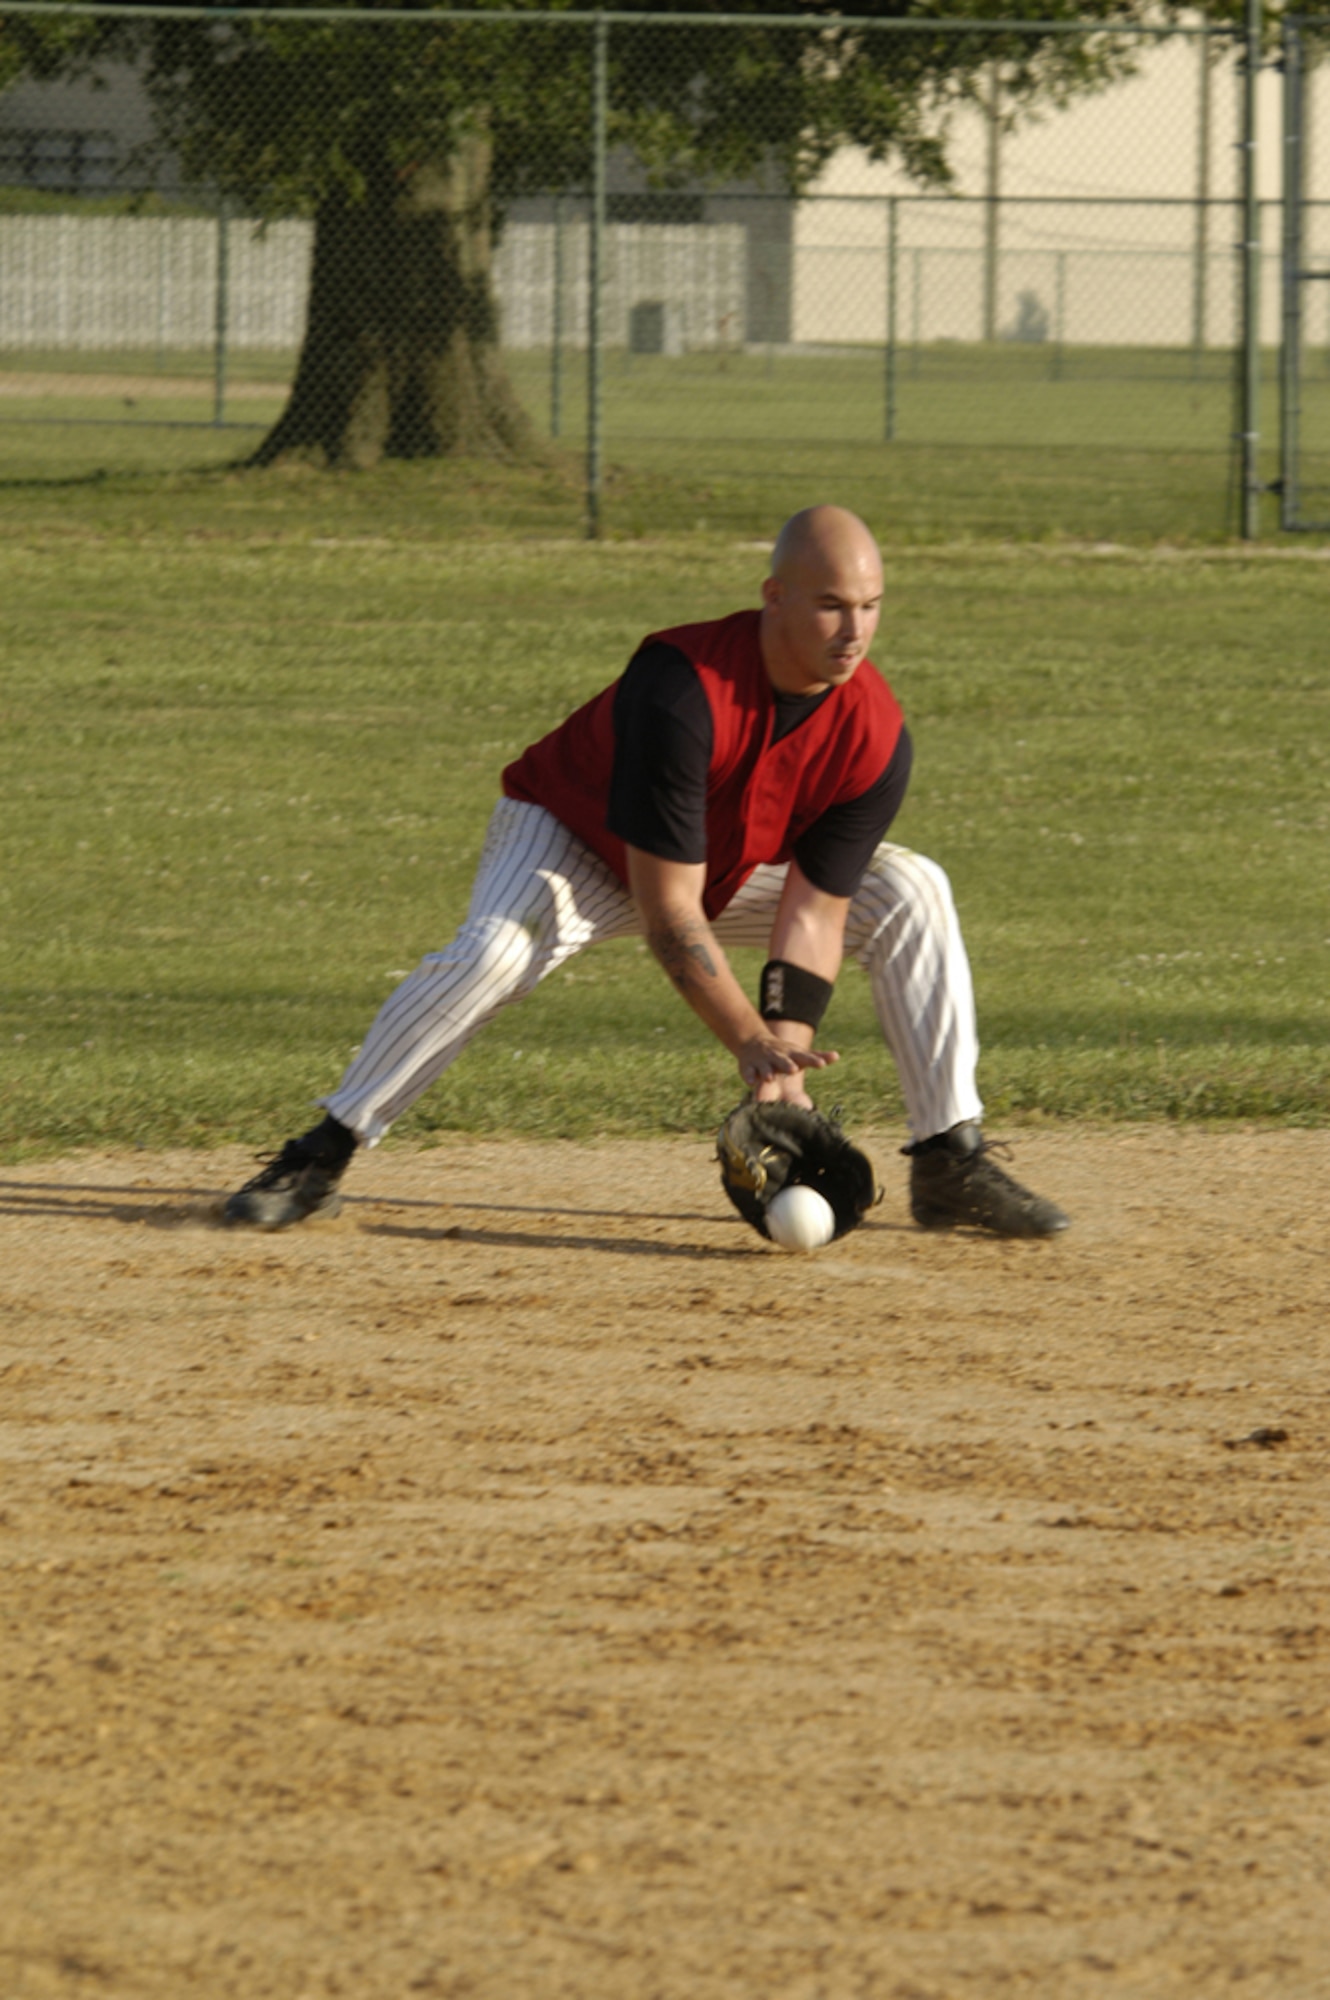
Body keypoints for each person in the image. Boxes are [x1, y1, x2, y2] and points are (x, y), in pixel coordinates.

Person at [224, 505, 1068, 1239]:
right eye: (831, 606)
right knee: (493, 957)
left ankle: (947, 1157)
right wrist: (745, 1041)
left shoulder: (876, 732)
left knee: (909, 889)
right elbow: (668, 912)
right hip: (571, 845)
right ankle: (323, 1152)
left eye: (871, 607)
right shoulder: (684, 689)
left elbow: (814, 910)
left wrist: (782, 1071)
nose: (855, 631)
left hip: (720, 868)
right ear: (773, 596)